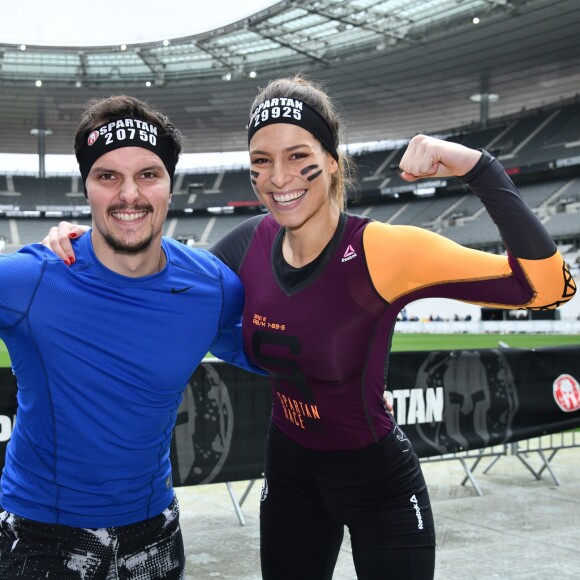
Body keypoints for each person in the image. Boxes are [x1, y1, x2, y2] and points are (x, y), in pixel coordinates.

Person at [43, 76, 577, 580]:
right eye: (262, 161)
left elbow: (548, 286)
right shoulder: (246, 244)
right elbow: (158, 281)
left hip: (380, 485)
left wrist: (477, 167)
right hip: (291, 478)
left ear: (333, 160)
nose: (279, 178)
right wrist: (86, 244)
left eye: (298, 156)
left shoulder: (384, 250)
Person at [0, 95, 264, 579]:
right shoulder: (29, 279)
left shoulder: (213, 286)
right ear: (87, 189)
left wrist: (350, 386)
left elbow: (269, 354)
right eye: (108, 177)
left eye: (147, 174)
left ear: (169, 185)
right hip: (41, 536)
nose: (129, 194)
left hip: (154, 534)